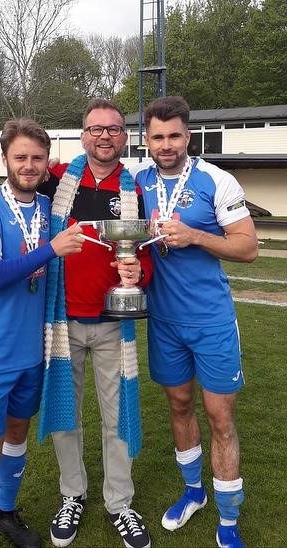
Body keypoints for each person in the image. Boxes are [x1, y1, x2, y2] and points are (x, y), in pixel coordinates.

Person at [0, 99, 153, 548]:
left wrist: (139, 273)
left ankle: (120, 503)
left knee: (117, 417)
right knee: (65, 415)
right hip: (59, 325)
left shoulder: (134, 189)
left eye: (114, 129)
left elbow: (143, 252)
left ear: (124, 137)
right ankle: (71, 495)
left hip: (111, 322)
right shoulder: (59, 180)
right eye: (96, 128)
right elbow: (3, 195)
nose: (105, 136)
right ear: (82, 135)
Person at [130, 96, 258, 548]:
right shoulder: (135, 179)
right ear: (147, 140)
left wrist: (196, 236)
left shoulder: (215, 180)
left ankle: (228, 520)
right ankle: (194, 493)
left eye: (175, 136)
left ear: (188, 136)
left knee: (220, 416)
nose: (166, 145)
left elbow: (247, 248)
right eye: (157, 137)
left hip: (211, 321)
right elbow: (59, 175)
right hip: (163, 321)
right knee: (179, 406)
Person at [0, 117, 83, 548]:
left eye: (37, 158)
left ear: (47, 163)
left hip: (31, 354)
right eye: (20, 157)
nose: (29, 165)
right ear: (5, 159)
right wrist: (51, 249)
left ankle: (6, 514)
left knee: (16, 438)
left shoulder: (48, 208)